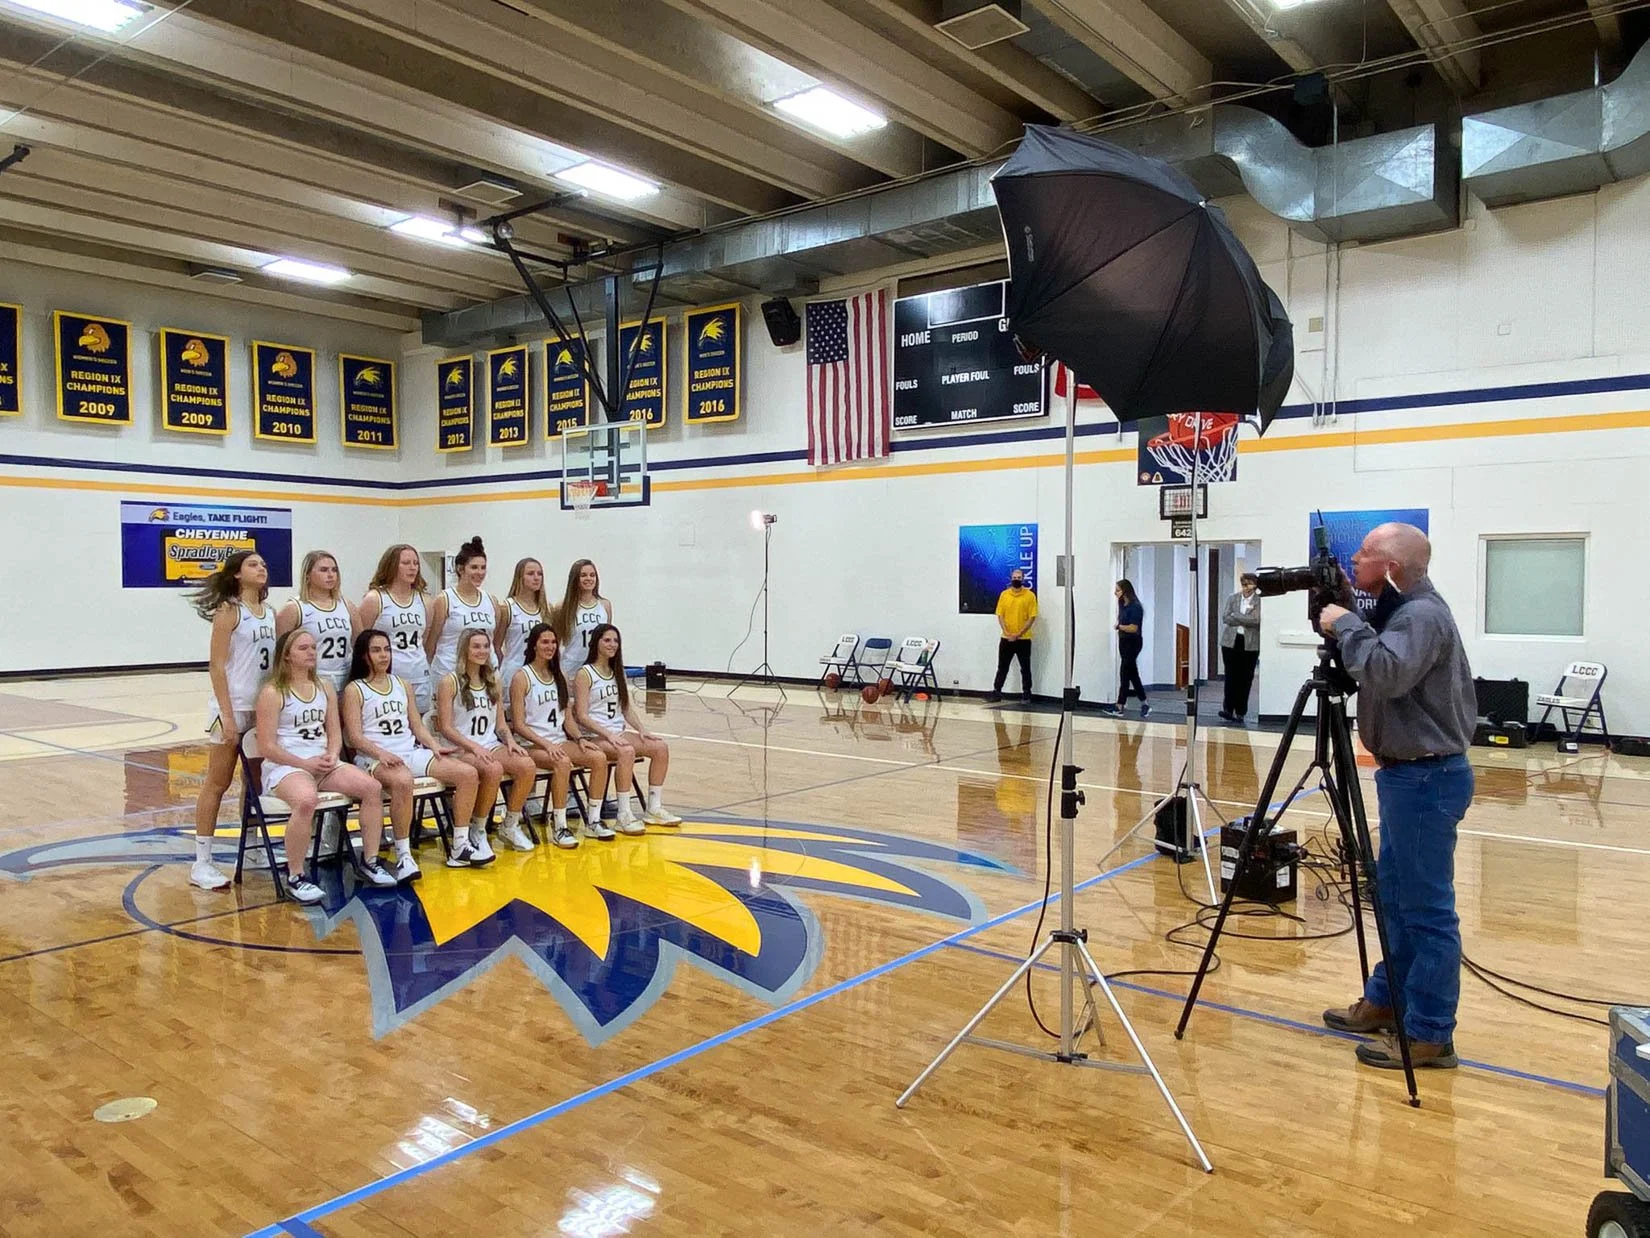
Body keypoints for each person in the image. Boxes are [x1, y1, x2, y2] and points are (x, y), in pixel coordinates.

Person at [1316, 522, 1476, 1071]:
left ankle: (1431, 1032)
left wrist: (1347, 625)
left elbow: (1384, 674)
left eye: (1363, 556)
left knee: (1426, 910)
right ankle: (1387, 1000)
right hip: (1409, 778)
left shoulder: (1421, 617)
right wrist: (1347, 620)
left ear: (1391, 568)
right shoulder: (1402, 612)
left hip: (1426, 780)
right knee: (1394, 898)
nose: (1354, 563)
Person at [254, 629, 387, 904]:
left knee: (372, 787)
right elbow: (266, 746)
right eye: (303, 648)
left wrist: (331, 754)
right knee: (306, 800)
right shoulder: (272, 692)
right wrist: (303, 763)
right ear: (287, 656)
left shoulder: (324, 686)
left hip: (323, 762)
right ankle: (296, 877)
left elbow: (334, 731)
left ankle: (370, 861)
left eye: (313, 647)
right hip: (286, 766)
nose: (311, 652)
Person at [341, 629, 482, 885]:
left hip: (409, 752)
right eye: (376, 650)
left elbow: (416, 725)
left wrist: (433, 745)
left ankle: (460, 844)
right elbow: (354, 736)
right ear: (363, 655)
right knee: (403, 781)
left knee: (467, 774)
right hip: (371, 758)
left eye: (386, 649)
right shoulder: (355, 689)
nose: (383, 655)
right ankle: (403, 854)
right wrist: (381, 753)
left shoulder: (402, 684)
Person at [187, 550, 276, 892]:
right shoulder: (229, 611)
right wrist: (226, 715)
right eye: (254, 564)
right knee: (218, 782)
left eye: (263, 563)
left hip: (262, 708)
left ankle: (251, 847)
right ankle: (202, 861)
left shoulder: (269, 612)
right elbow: (217, 665)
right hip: (233, 707)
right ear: (237, 574)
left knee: (253, 783)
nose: (261, 568)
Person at [434, 628, 537, 861]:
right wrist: (473, 747)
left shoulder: (494, 680)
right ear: (464, 650)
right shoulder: (449, 682)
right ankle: (477, 829)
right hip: (460, 748)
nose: (482, 651)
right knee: (493, 769)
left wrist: (510, 741)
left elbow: (500, 723)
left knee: (526, 765)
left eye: (485, 646)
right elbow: (446, 727)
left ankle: (509, 824)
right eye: (476, 646)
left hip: (489, 744)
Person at [510, 623, 611, 849]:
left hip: (558, 741)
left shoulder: (560, 675)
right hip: (531, 744)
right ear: (534, 645)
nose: (550, 646)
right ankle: (560, 825)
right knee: (562, 763)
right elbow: (518, 725)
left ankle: (593, 820)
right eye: (545, 642)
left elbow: (567, 717)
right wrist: (545, 744)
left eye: (553, 642)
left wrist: (579, 739)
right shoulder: (522, 677)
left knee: (598, 757)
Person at [572, 624, 681, 832]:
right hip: (594, 735)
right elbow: (582, 715)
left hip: (617, 732)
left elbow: (626, 707)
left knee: (660, 748)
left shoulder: (617, 671)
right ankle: (624, 814)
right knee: (626, 751)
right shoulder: (585, 674)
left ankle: (654, 808)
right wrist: (608, 735)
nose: (612, 644)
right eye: (607, 640)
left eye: (615, 640)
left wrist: (642, 730)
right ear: (596, 642)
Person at [358, 544, 432, 715]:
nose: (412, 567)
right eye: (406, 563)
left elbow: (425, 639)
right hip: (387, 674)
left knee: (418, 726)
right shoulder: (375, 599)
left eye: (415, 563)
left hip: (419, 674)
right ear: (391, 566)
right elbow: (361, 640)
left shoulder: (425, 600)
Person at [276, 550, 358, 695]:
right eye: (323, 570)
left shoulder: (346, 605)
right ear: (308, 575)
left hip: (345, 679)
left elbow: (359, 643)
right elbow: (281, 651)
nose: (331, 574)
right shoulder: (295, 608)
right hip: (313, 680)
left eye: (334, 570)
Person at [427, 536, 502, 680]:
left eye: (483, 567)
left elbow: (493, 640)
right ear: (460, 569)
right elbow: (431, 644)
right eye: (474, 567)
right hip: (450, 672)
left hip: (484, 674)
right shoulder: (445, 600)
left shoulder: (491, 601)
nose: (479, 572)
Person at [497, 557, 550, 706]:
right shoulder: (507, 607)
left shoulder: (546, 609)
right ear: (520, 577)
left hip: (540, 674)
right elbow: (496, 646)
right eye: (531, 573)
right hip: (514, 671)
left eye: (539, 574)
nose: (536, 577)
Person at [555, 558, 612, 683]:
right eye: (583, 575)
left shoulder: (605, 605)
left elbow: (608, 640)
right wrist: (560, 672)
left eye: (592, 575)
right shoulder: (563, 607)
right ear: (575, 579)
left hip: (596, 670)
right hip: (571, 670)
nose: (589, 579)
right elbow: (555, 643)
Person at [985, 569, 1036, 705]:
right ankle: (996, 692)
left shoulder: (1030, 596)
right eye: (1014, 577)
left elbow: (1032, 618)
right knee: (1002, 666)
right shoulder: (1004, 595)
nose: (1016, 579)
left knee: (1025, 668)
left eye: (1019, 577)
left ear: (1023, 579)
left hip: (1024, 639)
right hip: (1006, 639)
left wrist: (1018, 634)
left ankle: (1026, 694)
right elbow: (1000, 615)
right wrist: (1007, 632)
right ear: (1010, 578)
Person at [1218, 573, 1261, 723]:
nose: (1246, 588)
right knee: (1230, 676)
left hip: (1249, 644)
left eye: (1249, 584)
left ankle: (1241, 711)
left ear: (1255, 586)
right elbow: (1225, 617)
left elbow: (1256, 620)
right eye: (1244, 584)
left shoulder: (1259, 601)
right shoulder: (1233, 598)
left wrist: (1236, 616)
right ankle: (1228, 709)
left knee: (1245, 678)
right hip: (1230, 642)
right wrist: (1241, 619)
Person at [1107, 579, 1150, 718]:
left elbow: (1133, 627)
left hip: (1133, 643)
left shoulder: (1135, 607)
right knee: (1132, 673)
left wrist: (1119, 627)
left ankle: (1120, 705)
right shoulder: (1122, 604)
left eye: (1118, 590)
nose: (1115, 593)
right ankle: (1144, 703)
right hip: (1124, 642)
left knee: (1124, 673)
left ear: (1125, 591)